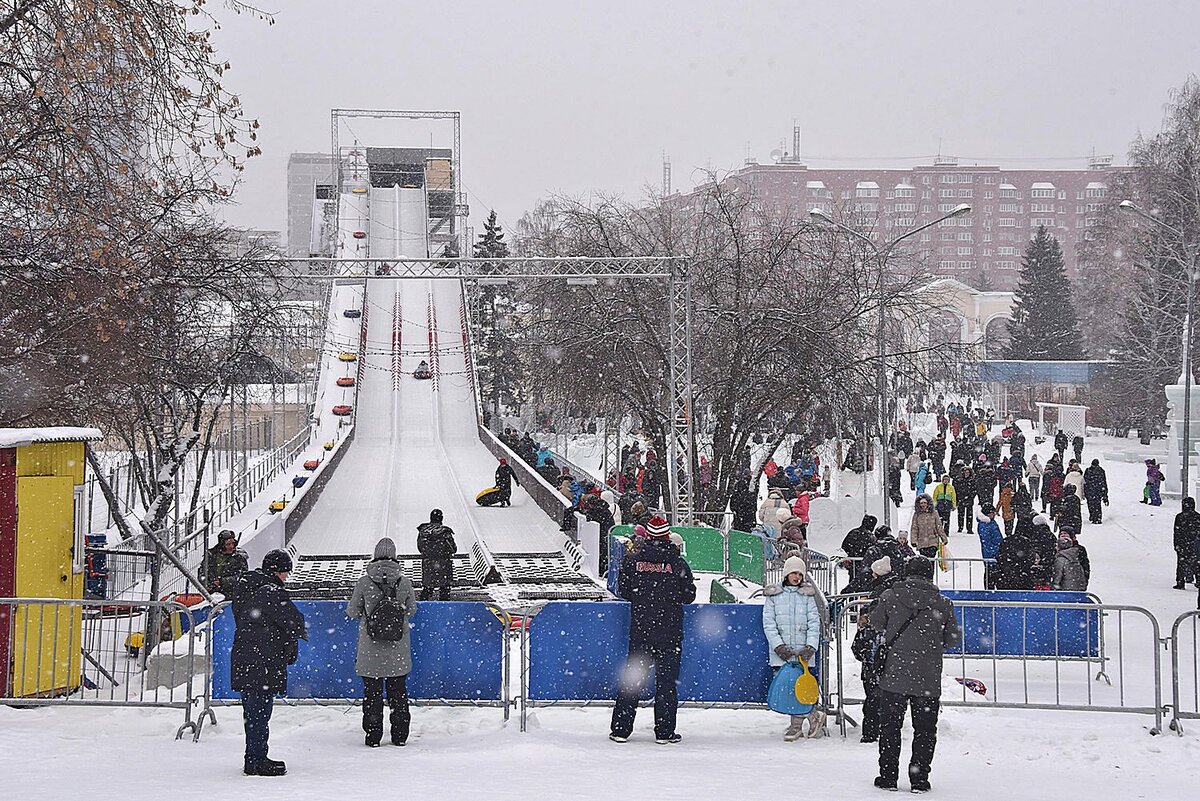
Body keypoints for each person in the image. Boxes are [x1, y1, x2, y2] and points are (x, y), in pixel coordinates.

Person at [868, 557, 962, 793]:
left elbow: (876, 623)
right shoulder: (942, 603)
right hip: (927, 676)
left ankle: (888, 776)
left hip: (894, 674)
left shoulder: (890, 596)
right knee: (925, 730)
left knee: (890, 727)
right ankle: (919, 778)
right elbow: (952, 639)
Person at [610, 516, 696, 745]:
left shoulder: (633, 561)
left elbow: (624, 591)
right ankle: (665, 731)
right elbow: (689, 595)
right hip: (669, 632)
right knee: (666, 684)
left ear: (647, 536)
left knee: (632, 681)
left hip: (641, 630)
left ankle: (621, 729)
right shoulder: (677, 563)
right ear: (667, 536)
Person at [230, 549, 307, 777]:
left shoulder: (245, 586)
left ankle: (252, 757)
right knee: (260, 713)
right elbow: (296, 622)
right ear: (277, 571)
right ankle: (257, 760)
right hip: (262, 660)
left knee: (252, 713)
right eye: (285, 572)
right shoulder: (271, 591)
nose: (286, 578)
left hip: (245, 657)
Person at [346, 537, 417, 747]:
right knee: (398, 694)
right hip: (398, 650)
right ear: (395, 557)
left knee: (372, 695)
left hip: (370, 650)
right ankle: (400, 736)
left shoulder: (364, 582)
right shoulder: (404, 583)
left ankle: (373, 735)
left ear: (375, 556)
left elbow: (352, 611)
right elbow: (412, 610)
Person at [763, 555, 825, 741]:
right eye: (793, 573)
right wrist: (778, 646)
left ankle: (805, 719)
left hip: (802, 652)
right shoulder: (774, 596)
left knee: (801, 687)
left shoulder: (807, 595)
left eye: (800, 573)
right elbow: (769, 623)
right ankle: (804, 720)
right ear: (786, 573)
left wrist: (810, 646)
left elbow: (814, 623)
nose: (796, 577)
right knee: (789, 687)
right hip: (782, 652)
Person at [851, 556, 899, 744]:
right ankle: (887, 730)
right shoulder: (896, 592)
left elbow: (863, 632)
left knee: (872, 697)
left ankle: (871, 731)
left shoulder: (876, 596)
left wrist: (862, 651)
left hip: (873, 656)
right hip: (890, 655)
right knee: (888, 697)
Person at [416, 509, 457, 601]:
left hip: (428, 564)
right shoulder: (445, 532)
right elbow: (453, 549)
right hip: (443, 564)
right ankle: (444, 609)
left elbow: (420, 547)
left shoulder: (423, 531)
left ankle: (424, 608)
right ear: (441, 518)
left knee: (427, 588)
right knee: (444, 590)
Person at [203, 529, 249, 595]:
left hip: (232, 594)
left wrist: (222, 582)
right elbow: (202, 573)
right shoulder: (211, 555)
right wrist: (207, 584)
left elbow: (242, 577)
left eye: (233, 543)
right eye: (228, 544)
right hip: (211, 594)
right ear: (222, 545)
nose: (231, 546)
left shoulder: (239, 558)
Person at [1173, 497, 1200, 590]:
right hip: (1195, 543)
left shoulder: (1180, 517)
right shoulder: (1197, 517)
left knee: (1181, 563)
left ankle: (1180, 582)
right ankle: (1198, 579)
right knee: (1196, 563)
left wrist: (1176, 544)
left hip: (1182, 543)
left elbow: (1176, 532)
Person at [975, 505, 1003, 589]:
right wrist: (996, 551)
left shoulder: (991, 523)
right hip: (991, 554)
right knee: (990, 575)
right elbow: (986, 542)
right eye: (992, 513)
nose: (994, 515)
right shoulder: (984, 525)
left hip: (996, 553)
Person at [909, 494, 945, 559]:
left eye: (925, 503)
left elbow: (939, 526)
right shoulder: (917, 514)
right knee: (924, 561)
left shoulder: (934, 513)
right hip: (922, 542)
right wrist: (913, 541)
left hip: (933, 541)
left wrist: (943, 538)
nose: (923, 505)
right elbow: (914, 528)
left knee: (931, 560)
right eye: (921, 503)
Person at [1083, 459, 1109, 524]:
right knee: (1097, 505)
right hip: (1097, 491)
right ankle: (1097, 517)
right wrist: (1105, 493)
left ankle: (1093, 516)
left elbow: (1085, 481)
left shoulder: (1089, 470)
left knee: (1091, 504)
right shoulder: (1101, 471)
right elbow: (1104, 482)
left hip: (1091, 491)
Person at [953, 464, 975, 534]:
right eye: (965, 472)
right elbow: (956, 490)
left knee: (969, 515)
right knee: (960, 514)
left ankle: (969, 528)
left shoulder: (972, 481)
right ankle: (960, 527)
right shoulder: (959, 480)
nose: (966, 474)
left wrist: (970, 496)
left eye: (968, 472)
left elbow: (975, 490)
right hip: (961, 499)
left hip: (969, 500)